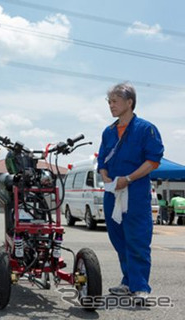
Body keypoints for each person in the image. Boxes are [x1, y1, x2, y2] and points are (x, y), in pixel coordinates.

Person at [97, 82, 163, 301]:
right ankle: (128, 282)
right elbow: (102, 161)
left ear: (129, 102)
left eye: (115, 101)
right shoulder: (108, 132)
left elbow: (153, 161)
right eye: (109, 102)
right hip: (112, 192)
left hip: (135, 192)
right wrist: (106, 177)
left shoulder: (146, 129)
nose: (111, 106)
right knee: (119, 239)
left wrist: (129, 178)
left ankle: (141, 287)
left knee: (137, 239)